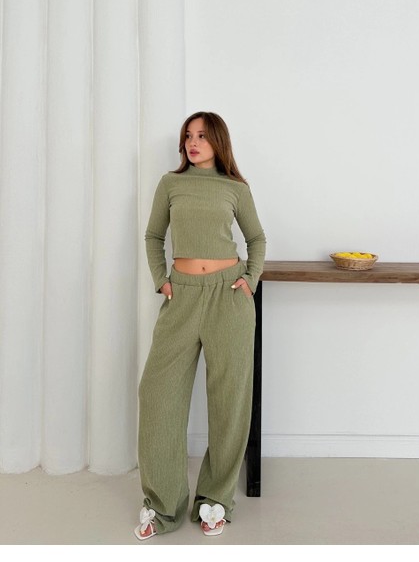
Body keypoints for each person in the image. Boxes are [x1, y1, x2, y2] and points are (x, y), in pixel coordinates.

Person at [134, 111, 266, 540]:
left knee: (229, 401)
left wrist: (250, 279)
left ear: (218, 142)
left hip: (229, 296)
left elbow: (256, 239)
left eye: (203, 136)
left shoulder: (235, 188)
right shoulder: (170, 184)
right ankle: (163, 506)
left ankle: (215, 501)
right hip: (183, 295)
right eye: (188, 136)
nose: (193, 143)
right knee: (157, 394)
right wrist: (162, 280)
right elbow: (154, 236)